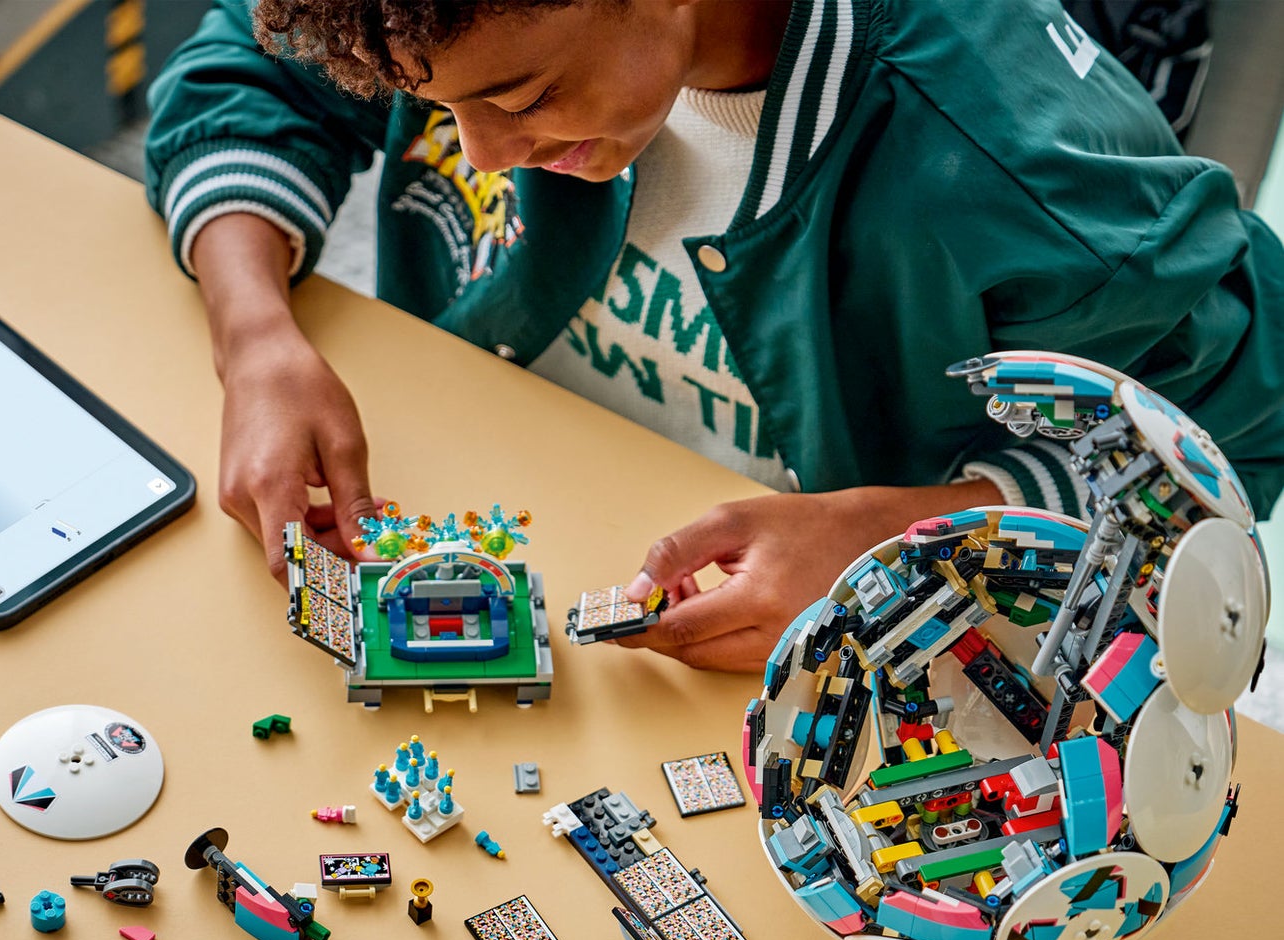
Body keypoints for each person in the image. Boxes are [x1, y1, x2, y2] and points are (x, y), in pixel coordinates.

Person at [145, 0, 1284, 672]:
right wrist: (255, 336)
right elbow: (250, 63)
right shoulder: (428, 19)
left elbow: (1218, 443)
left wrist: (906, 538)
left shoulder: (1013, 169)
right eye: (440, 109)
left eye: (523, 98)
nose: (479, 153)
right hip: (517, 482)